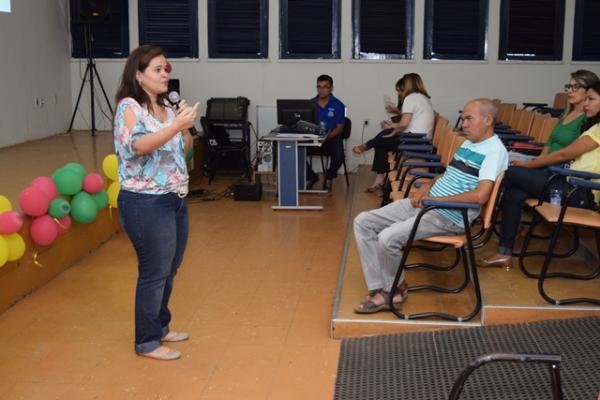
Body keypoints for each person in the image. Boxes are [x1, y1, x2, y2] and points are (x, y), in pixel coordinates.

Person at [353, 99, 508, 313]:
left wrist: (436, 200)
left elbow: (480, 196)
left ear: (488, 119)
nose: (463, 124)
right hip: (430, 203)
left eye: (469, 119)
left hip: (450, 216)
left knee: (387, 238)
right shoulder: (470, 143)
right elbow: (448, 175)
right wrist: (426, 187)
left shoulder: (494, 151)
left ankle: (393, 292)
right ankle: (381, 286)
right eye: (463, 119)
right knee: (363, 222)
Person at [113, 45, 199, 360]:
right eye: (158, 70)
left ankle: (161, 326)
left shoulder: (166, 107)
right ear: (138, 74)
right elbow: (138, 146)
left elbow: (184, 152)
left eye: (167, 69)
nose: (165, 75)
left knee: (170, 268)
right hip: (144, 202)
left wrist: (186, 129)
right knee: (154, 271)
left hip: (175, 197)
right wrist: (175, 126)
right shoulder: (129, 107)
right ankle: (147, 341)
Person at [479, 79, 600, 269]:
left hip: (581, 193)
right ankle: (503, 253)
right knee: (514, 194)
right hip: (568, 183)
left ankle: (477, 209)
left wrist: (530, 165)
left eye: (591, 99)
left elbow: (564, 153)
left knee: (509, 172)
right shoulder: (594, 126)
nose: (586, 103)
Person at [352, 73, 435, 195]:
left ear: (406, 86)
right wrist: (393, 127)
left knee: (384, 136)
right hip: (421, 140)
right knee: (383, 138)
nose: (399, 94)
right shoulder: (423, 98)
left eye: (400, 90)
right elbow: (409, 122)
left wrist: (393, 131)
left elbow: (403, 124)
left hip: (414, 141)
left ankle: (366, 146)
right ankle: (380, 179)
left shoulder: (411, 98)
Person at [306, 74, 346, 191]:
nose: (321, 90)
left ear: (331, 88)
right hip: (313, 139)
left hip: (330, 139)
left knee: (339, 155)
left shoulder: (338, 105)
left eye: (325, 87)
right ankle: (311, 176)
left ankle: (329, 176)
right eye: (319, 87)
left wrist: (325, 138)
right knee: (296, 150)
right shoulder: (310, 104)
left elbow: (339, 128)